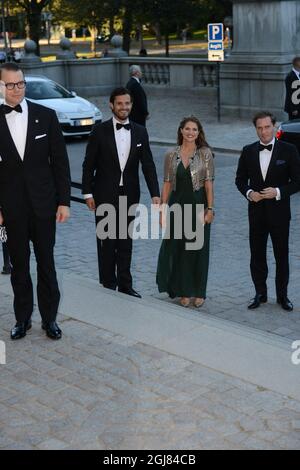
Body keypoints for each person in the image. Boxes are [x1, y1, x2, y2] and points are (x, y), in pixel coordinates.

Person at [0, 62, 71, 340]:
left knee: (46, 264)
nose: (16, 89)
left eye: (20, 84)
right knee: (18, 267)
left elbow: (61, 164)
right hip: (11, 210)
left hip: (44, 206)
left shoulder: (47, 116)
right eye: (10, 84)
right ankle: (22, 319)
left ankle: (50, 319)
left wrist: (63, 202)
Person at [82, 87, 160, 298]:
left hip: (130, 194)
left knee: (125, 240)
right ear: (111, 105)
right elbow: (88, 165)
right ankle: (108, 283)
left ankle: (125, 284)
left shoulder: (140, 131)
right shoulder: (99, 131)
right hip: (103, 194)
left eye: (127, 103)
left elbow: (148, 165)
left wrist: (155, 193)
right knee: (108, 240)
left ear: (131, 105)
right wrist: (87, 194)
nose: (124, 107)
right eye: (120, 104)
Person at [235, 111, 300, 311]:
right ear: (256, 129)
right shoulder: (247, 151)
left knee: (281, 255)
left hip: (280, 213)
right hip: (256, 213)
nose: (264, 132)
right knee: (257, 255)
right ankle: (260, 294)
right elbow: (239, 180)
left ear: (274, 126)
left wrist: (278, 191)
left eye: (267, 127)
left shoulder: (289, 150)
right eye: (259, 128)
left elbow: (297, 181)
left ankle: (282, 296)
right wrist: (248, 193)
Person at [156, 117, 215, 308]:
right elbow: (166, 184)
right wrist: (162, 210)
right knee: (178, 249)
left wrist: (210, 209)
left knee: (198, 249)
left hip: (199, 206)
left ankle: (199, 291)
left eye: (195, 129)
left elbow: (208, 185)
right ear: (181, 130)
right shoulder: (170, 155)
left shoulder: (205, 154)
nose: (191, 132)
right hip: (176, 206)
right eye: (187, 129)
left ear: (199, 133)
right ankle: (183, 290)